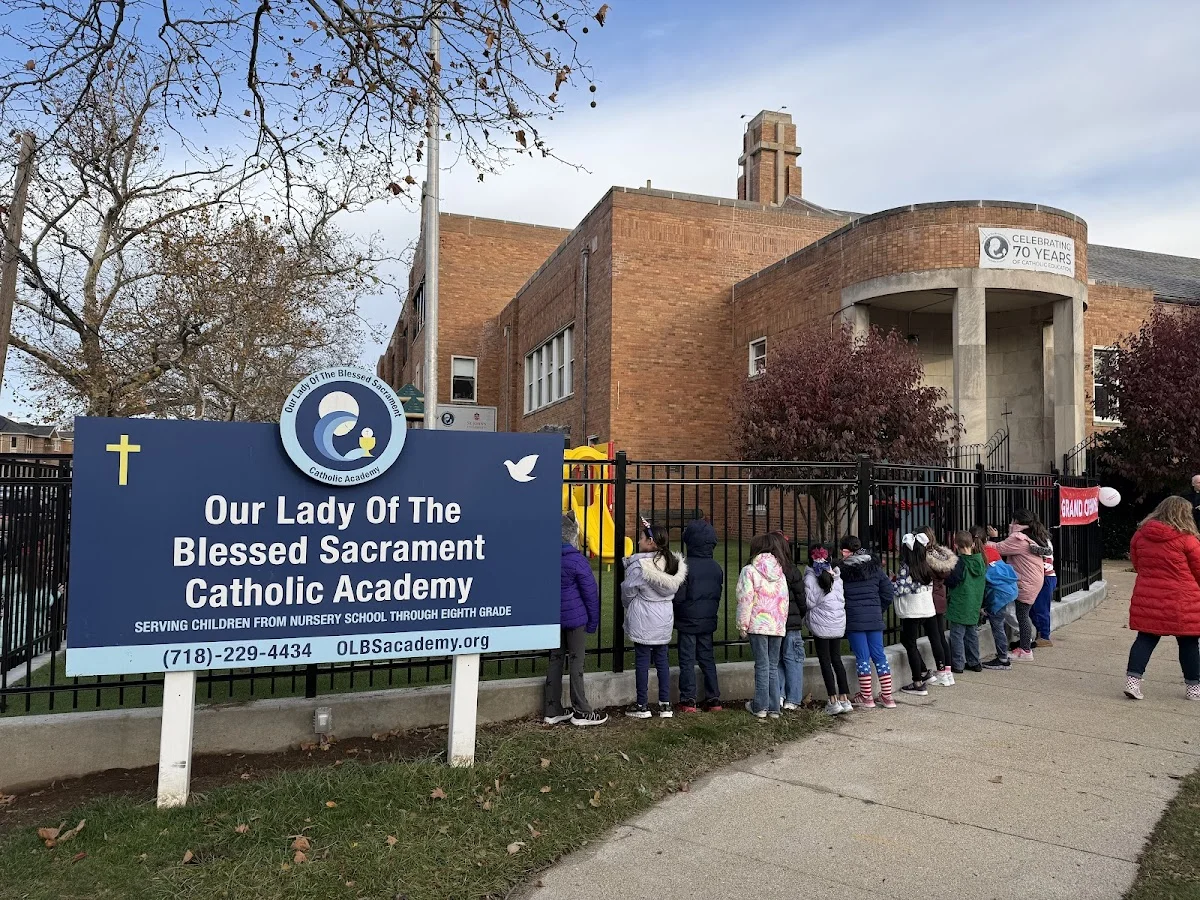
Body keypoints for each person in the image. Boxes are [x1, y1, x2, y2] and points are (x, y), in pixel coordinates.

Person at [1124, 496, 1200, 701]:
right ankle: (1193, 688)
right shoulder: (1188, 539)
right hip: (1182, 599)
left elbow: (1138, 564)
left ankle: (1133, 682)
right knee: (1189, 642)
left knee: (1145, 638)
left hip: (1149, 596)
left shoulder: (1140, 536)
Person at [545, 513, 609, 726]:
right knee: (576, 662)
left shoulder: (546, 557)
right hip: (575, 620)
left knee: (555, 659)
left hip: (554, 618)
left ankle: (552, 708)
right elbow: (590, 593)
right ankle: (581, 710)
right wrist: (592, 622)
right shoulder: (577, 561)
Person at [621, 525, 687, 719]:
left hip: (644, 615)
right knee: (662, 659)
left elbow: (628, 590)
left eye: (641, 538)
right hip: (664, 616)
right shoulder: (672, 563)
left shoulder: (639, 566)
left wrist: (629, 604)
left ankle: (642, 705)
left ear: (650, 542)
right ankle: (665, 704)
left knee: (642, 660)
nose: (638, 541)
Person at [736, 533, 790, 719]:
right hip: (776, 626)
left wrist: (742, 625)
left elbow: (745, 600)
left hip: (758, 624)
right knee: (772, 666)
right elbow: (784, 601)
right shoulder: (780, 573)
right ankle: (774, 707)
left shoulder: (749, 571)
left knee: (762, 665)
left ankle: (760, 706)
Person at [838, 535, 896, 709]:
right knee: (879, 655)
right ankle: (887, 696)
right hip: (874, 617)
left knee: (862, 657)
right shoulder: (875, 568)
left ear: (844, 550)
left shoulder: (842, 571)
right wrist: (879, 609)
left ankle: (866, 696)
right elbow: (887, 592)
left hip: (854, 618)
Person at [673, 518, 724, 713]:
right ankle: (714, 698)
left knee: (687, 659)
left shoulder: (684, 566)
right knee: (707, 658)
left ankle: (688, 699)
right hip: (708, 619)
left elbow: (679, 596)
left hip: (687, 620)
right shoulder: (716, 567)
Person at [987, 511, 1051, 660]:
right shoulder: (1031, 536)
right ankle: (1024, 647)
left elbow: (998, 548)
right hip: (1032, 580)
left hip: (1025, 581)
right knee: (1022, 615)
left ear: (1016, 522)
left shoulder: (1019, 538)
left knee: (1022, 616)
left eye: (1012, 520)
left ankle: (1025, 650)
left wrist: (980, 542)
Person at [894, 532, 948, 696]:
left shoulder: (906, 567)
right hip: (927, 608)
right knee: (924, 639)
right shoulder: (926, 565)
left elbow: (902, 589)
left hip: (912, 610)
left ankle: (917, 682)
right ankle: (925, 672)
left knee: (909, 643)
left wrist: (891, 584)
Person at [805, 544, 851, 715]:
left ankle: (833, 700)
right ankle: (844, 698)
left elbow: (809, 603)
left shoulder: (810, 579)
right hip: (837, 624)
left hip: (821, 625)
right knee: (836, 659)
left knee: (825, 661)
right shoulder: (837, 577)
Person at [945, 530, 986, 674]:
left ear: (956, 546)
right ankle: (975, 661)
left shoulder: (959, 563)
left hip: (960, 602)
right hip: (974, 602)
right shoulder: (980, 561)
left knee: (957, 634)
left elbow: (952, 581)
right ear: (973, 544)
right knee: (971, 634)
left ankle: (958, 664)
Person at [774, 532, 807, 711]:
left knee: (778, 659)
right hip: (792, 622)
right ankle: (793, 698)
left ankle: (779, 695)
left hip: (775, 622)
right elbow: (802, 598)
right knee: (793, 659)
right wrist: (800, 614)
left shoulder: (771, 569)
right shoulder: (792, 570)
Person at [923, 527, 958, 686]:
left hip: (931, 598)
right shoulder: (941, 556)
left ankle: (942, 671)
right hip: (940, 596)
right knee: (940, 635)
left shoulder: (926, 558)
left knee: (934, 636)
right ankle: (947, 671)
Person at [1032, 539, 1057, 646]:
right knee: (1034, 609)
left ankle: (1044, 636)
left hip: (1045, 577)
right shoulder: (1044, 540)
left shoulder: (1036, 542)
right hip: (1046, 577)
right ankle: (1041, 633)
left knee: (1041, 608)